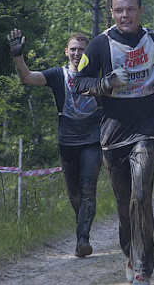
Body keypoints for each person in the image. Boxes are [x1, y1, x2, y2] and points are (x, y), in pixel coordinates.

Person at [72, 0, 154, 285]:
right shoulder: (99, 44)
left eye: (130, 9)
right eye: (119, 10)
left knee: (141, 196)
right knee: (123, 207)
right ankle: (130, 255)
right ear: (112, 13)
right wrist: (105, 83)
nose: (125, 16)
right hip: (113, 133)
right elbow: (78, 82)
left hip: (147, 126)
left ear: (140, 11)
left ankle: (144, 268)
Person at [7, 30, 103, 258]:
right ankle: (82, 230)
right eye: (74, 49)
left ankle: (83, 240)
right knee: (74, 194)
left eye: (82, 49)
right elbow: (27, 78)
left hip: (93, 139)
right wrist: (17, 56)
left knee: (88, 188)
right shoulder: (58, 75)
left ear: (88, 52)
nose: (77, 53)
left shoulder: (99, 76)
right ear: (67, 52)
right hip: (67, 141)